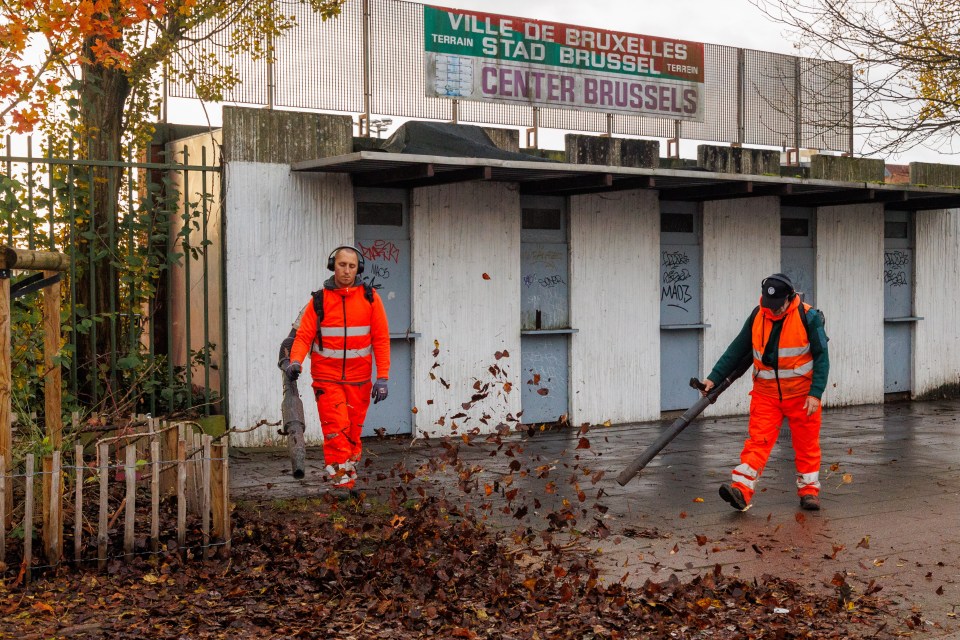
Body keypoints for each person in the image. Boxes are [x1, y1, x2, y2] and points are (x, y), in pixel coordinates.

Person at [700, 273, 829, 512]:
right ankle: (741, 490)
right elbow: (737, 348)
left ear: (789, 299)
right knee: (757, 442)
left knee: (807, 445)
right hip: (766, 395)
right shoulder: (758, 314)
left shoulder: (809, 317)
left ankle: (809, 492)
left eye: (777, 306)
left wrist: (816, 393)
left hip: (802, 396)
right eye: (768, 305)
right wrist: (713, 378)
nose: (772, 311)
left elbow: (822, 357)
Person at [283, 245, 391, 490]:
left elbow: (381, 339)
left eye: (352, 266)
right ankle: (342, 485)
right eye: (342, 265)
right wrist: (296, 361)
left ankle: (347, 478)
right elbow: (303, 336)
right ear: (333, 266)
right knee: (336, 430)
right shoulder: (319, 300)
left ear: (358, 268)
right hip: (327, 379)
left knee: (352, 433)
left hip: (360, 380)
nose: (347, 270)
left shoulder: (370, 298)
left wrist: (382, 377)